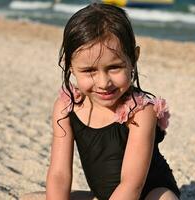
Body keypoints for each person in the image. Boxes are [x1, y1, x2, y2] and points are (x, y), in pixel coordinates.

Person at [21, 3, 180, 200]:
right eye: (89, 71)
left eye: (114, 67)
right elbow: (59, 175)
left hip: (146, 194)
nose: (104, 83)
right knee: (30, 197)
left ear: (133, 58)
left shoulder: (139, 112)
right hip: (105, 195)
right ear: (70, 65)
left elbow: (132, 185)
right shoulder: (67, 106)